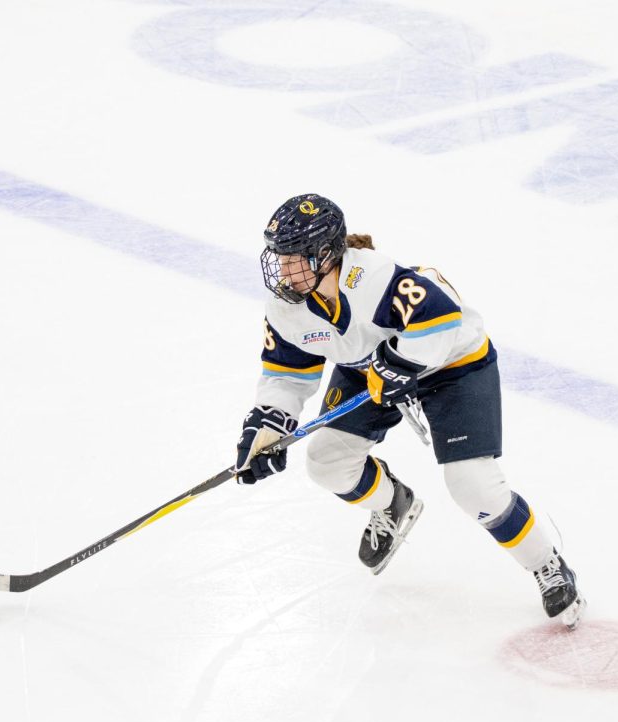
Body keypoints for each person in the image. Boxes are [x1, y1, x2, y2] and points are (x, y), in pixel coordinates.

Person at [234, 194, 585, 628]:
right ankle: (394, 504)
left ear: (326, 254)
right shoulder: (288, 309)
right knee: (327, 464)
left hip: (451, 366)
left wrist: (401, 363)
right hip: (370, 368)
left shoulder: (373, 277)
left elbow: (441, 315)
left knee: (472, 486)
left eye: (294, 258)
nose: (283, 270)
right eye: (279, 257)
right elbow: (287, 375)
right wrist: (268, 424)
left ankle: (545, 564)